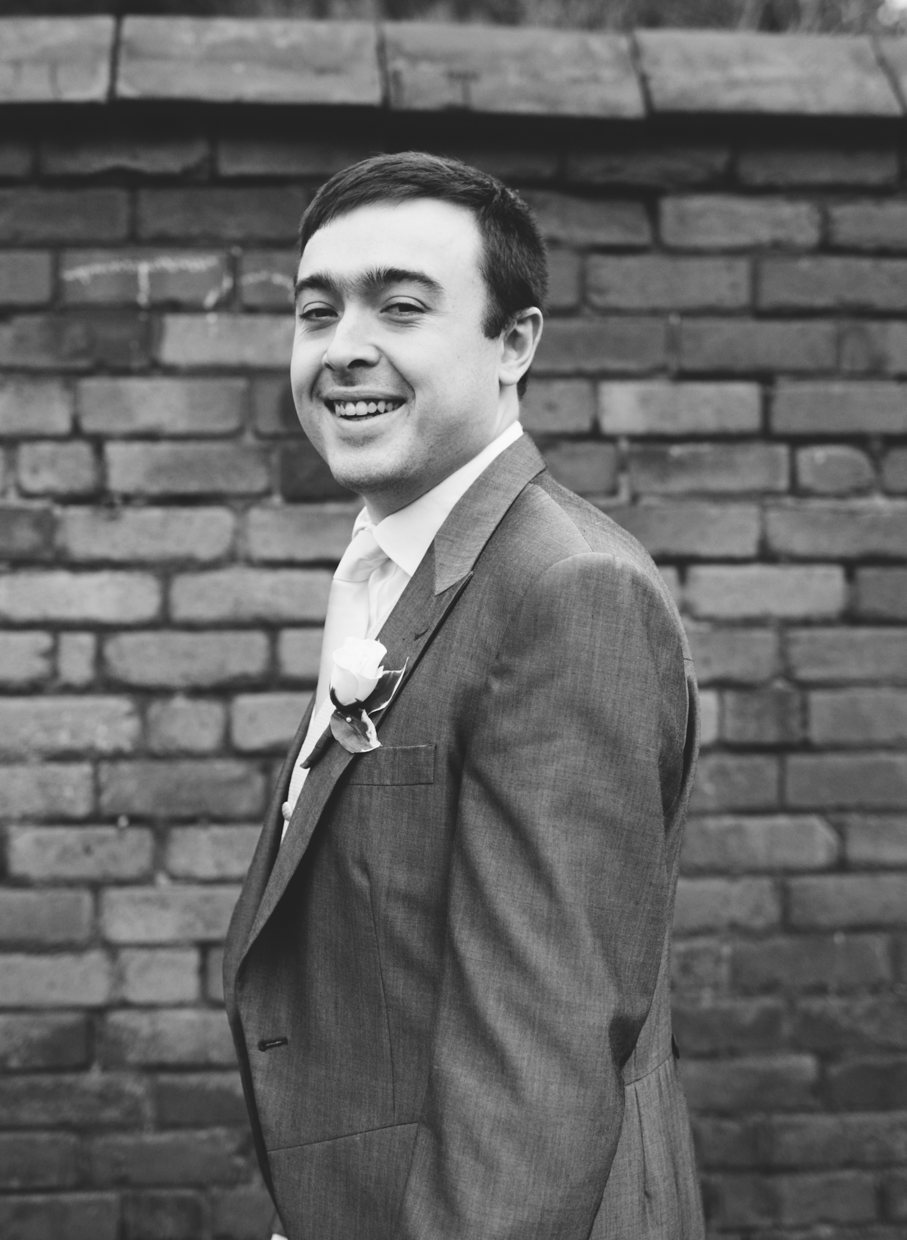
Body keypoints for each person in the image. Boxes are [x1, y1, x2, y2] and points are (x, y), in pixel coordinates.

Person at [221, 151, 705, 1240]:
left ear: (513, 343)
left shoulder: (565, 591)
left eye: (399, 305)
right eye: (315, 309)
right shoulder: (394, 560)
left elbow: (537, 1059)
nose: (344, 348)